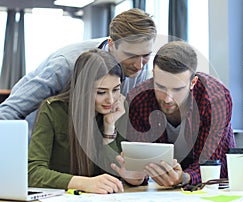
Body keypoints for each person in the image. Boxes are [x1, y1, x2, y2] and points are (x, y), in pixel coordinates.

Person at [0, 8, 156, 138]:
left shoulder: (136, 68)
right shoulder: (66, 64)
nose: (139, 65)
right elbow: (9, 112)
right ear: (112, 44)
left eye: (146, 55)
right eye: (131, 56)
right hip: (33, 136)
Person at [112, 41, 235, 186]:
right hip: (158, 190)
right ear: (153, 76)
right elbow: (140, 163)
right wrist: (136, 176)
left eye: (177, 89)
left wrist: (184, 178)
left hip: (214, 185)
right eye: (160, 87)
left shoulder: (216, 99)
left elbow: (211, 163)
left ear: (193, 82)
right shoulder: (138, 100)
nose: (167, 99)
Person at [28, 49, 129, 194]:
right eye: (101, 92)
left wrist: (109, 128)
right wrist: (83, 183)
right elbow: (33, 172)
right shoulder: (53, 110)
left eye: (116, 89)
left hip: (103, 201)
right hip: (61, 200)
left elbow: (115, 172)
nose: (111, 100)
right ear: (83, 89)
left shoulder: (119, 109)